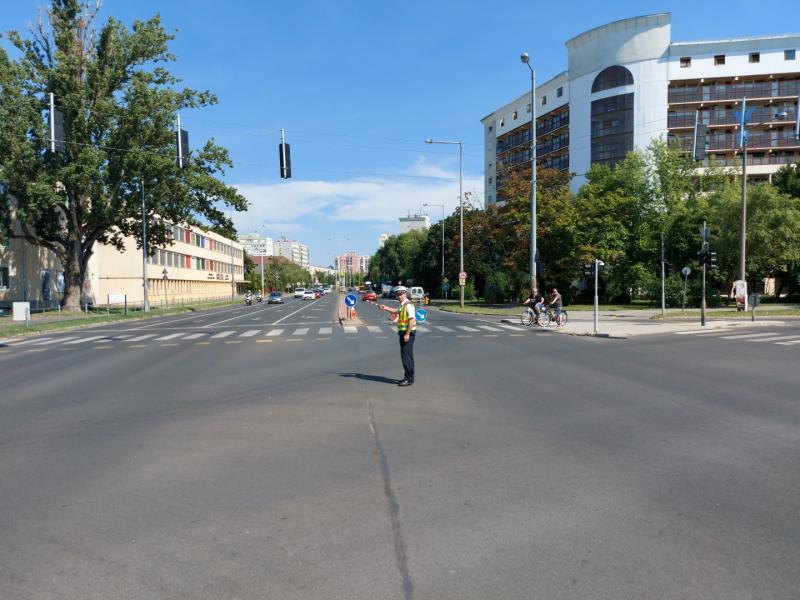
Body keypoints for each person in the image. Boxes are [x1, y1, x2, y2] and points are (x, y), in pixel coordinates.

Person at [378, 286, 416, 386]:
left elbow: (412, 320)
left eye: (400, 295)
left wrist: (407, 334)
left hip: (407, 333)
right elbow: (396, 311)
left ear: (405, 294)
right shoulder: (403, 305)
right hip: (404, 333)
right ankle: (410, 377)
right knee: (408, 356)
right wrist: (385, 308)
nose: (398, 297)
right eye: (397, 295)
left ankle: (408, 379)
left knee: (405, 356)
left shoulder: (408, 305)